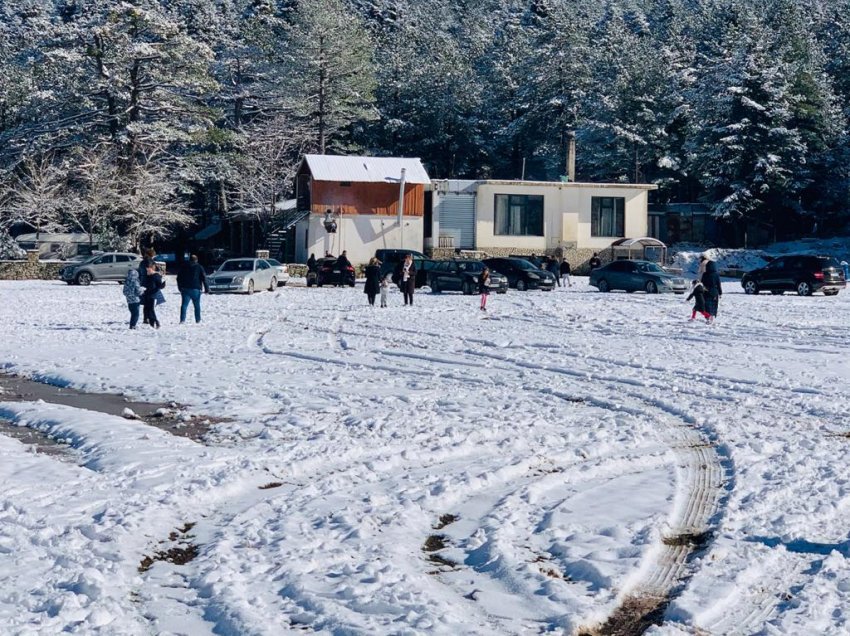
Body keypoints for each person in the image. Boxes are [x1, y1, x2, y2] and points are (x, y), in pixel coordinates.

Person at [177, 254, 209, 324]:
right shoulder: (199, 267)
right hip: (196, 288)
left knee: (184, 305)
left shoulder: (184, 266)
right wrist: (207, 288)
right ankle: (198, 320)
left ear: (189, 259)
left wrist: (179, 287)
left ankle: (182, 320)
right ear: (196, 260)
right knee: (197, 305)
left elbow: (178, 277)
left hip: (185, 288)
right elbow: (204, 278)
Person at [699, 254, 722, 323]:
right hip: (715, 292)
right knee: (713, 305)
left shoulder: (705, 274)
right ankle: (711, 317)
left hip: (707, 291)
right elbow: (718, 284)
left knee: (707, 305)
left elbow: (702, 284)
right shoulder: (716, 274)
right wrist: (720, 292)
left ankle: (708, 318)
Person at [142, 264, 164, 329]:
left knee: (150, 309)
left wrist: (162, 286)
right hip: (147, 293)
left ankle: (156, 321)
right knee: (147, 309)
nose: (147, 271)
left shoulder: (156, 276)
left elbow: (159, 285)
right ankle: (152, 323)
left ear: (152, 269)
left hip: (153, 294)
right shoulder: (148, 276)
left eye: (148, 270)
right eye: (146, 270)